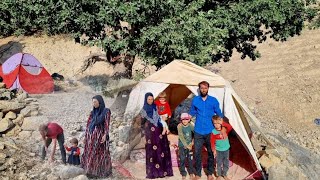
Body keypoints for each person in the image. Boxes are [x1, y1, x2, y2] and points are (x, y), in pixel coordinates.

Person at [189, 81, 224, 180]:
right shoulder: (195, 100)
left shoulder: (213, 100)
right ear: (199, 89)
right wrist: (185, 120)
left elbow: (219, 113)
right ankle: (198, 174)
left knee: (211, 152)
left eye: (205, 88)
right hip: (198, 130)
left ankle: (209, 173)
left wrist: (221, 127)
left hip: (210, 131)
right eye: (201, 88)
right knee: (197, 152)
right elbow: (192, 112)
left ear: (208, 88)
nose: (203, 90)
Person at [140, 92, 174, 179]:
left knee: (161, 149)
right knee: (152, 150)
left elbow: (159, 118)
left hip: (158, 130)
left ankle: (162, 171)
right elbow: (142, 123)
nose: (150, 101)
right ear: (146, 100)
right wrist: (143, 134)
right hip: (149, 132)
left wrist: (163, 127)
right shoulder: (144, 109)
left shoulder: (155, 106)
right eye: (149, 99)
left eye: (152, 99)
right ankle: (154, 172)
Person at [81, 95, 112, 178]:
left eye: (95, 102)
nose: (93, 104)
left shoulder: (106, 111)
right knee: (90, 152)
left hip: (100, 137)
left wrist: (105, 135)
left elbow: (106, 124)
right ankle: (90, 170)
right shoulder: (92, 112)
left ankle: (99, 172)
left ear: (100, 102)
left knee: (100, 153)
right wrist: (85, 136)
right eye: (92, 102)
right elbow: (88, 124)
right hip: (90, 137)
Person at [211, 115, 233, 180]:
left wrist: (222, 123)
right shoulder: (213, 132)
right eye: (215, 123)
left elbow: (230, 127)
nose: (216, 125)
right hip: (218, 150)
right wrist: (214, 150)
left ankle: (225, 174)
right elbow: (212, 142)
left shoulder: (225, 129)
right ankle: (219, 175)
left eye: (218, 123)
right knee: (219, 162)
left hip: (226, 149)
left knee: (226, 162)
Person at [177, 113, 195, 180]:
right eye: (183, 119)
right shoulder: (179, 126)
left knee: (190, 159)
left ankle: (191, 172)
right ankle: (183, 173)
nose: (184, 121)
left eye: (186, 119)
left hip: (189, 145)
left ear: (189, 120)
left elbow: (195, 134)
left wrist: (192, 143)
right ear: (181, 120)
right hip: (182, 145)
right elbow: (181, 136)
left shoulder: (191, 126)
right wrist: (186, 145)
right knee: (182, 159)